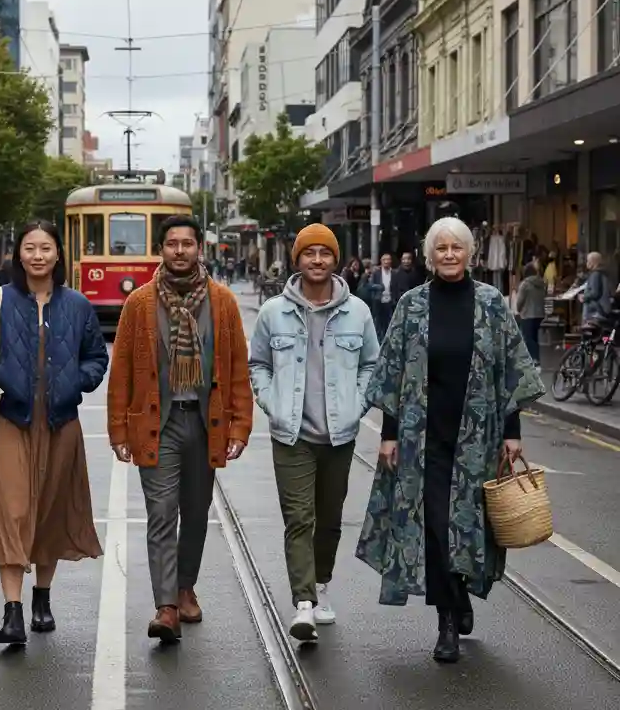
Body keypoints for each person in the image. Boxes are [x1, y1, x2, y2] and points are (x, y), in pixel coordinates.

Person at [356, 216, 544, 664]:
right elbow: (393, 374)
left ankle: (459, 596)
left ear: (469, 253)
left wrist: (512, 432)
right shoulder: (410, 305)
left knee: (468, 527)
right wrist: (388, 435)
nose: (448, 255)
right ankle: (446, 620)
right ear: (429, 255)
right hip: (425, 439)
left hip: (478, 439)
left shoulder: (492, 303)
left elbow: (509, 371)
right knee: (437, 527)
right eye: (440, 248)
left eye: (456, 247)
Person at [0, 221, 108, 645]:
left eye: (46, 248)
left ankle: (42, 596)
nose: (38, 255)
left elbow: (97, 358)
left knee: (50, 511)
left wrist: (77, 382)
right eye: (30, 248)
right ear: (18, 254)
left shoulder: (77, 305)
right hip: (12, 419)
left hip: (61, 423)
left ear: (58, 255)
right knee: (13, 511)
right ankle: (13, 611)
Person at [108, 215, 253, 643]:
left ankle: (185, 585)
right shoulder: (139, 303)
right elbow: (122, 373)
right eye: (171, 243)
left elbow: (238, 370)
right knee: (160, 514)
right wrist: (119, 430)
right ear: (161, 250)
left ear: (199, 249)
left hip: (206, 422)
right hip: (159, 424)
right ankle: (165, 606)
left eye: (187, 243)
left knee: (195, 513)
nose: (179, 251)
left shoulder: (223, 302)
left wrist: (240, 426)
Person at [249, 224, 379, 643]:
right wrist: (271, 401)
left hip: (339, 435)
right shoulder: (274, 312)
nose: (317, 260)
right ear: (297, 260)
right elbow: (259, 364)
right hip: (292, 436)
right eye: (309, 253)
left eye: (325, 253)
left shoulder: (357, 311)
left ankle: (321, 582)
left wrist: (358, 406)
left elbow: (371, 365)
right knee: (299, 519)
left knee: (330, 519)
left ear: (335, 260)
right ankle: (303, 601)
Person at [515, 262, 547, 365]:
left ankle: (533, 359)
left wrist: (518, 310)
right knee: (535, 337)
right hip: (540, 314)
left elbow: (520, 300)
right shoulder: (542, 283)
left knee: (529, 338)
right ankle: (536, 358)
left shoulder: (525, 284)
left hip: (528, 314)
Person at [580, 252, 613, 323]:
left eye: (588, 261)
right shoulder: (603, 273)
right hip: (602, 310)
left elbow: (595, 293)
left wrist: (584, 297)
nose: (587, 263)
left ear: (594, 262)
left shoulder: (595, 274)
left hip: (594, 311)